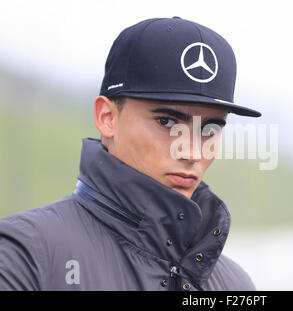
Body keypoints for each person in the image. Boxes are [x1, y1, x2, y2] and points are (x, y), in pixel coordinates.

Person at [0, 17, 261, 290]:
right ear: (107, 117)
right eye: (167, 122)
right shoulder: (22, 257)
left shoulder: (235, 285)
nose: (192, 151)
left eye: (209, 128)